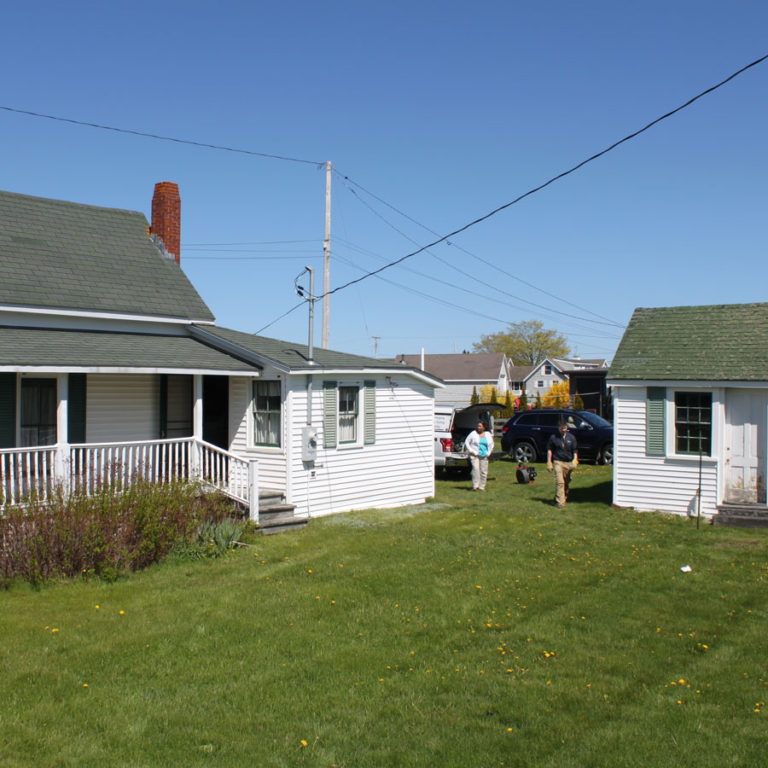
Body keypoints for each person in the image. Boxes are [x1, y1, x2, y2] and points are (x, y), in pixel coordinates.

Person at [546, 419, 578, 508]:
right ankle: (561, 503)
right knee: (560, 482)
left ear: (566, 427)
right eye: (561, 428)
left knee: (566, 482)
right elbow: (549, 450)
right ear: (558, 428)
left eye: (564, 428)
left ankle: (560, 497)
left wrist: (575, 460)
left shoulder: (571, 438)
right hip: (558, 462)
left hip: (568, 463)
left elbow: (575, 451)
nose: (563, 430)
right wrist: (549, 462)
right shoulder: (553, 437)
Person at [464, 421, 494, 491]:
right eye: (478, 426)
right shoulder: (473, 433)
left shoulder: (488, 434)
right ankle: (475, 486)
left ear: (484, 427)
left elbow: (491, 444)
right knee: (476, 469)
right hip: (475, 455)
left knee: (483, 471)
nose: (478, 427)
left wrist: (489, 452)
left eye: (480, 426)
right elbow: (466, 442)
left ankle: (482, 487)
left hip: (484, 455)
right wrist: (471, 451)